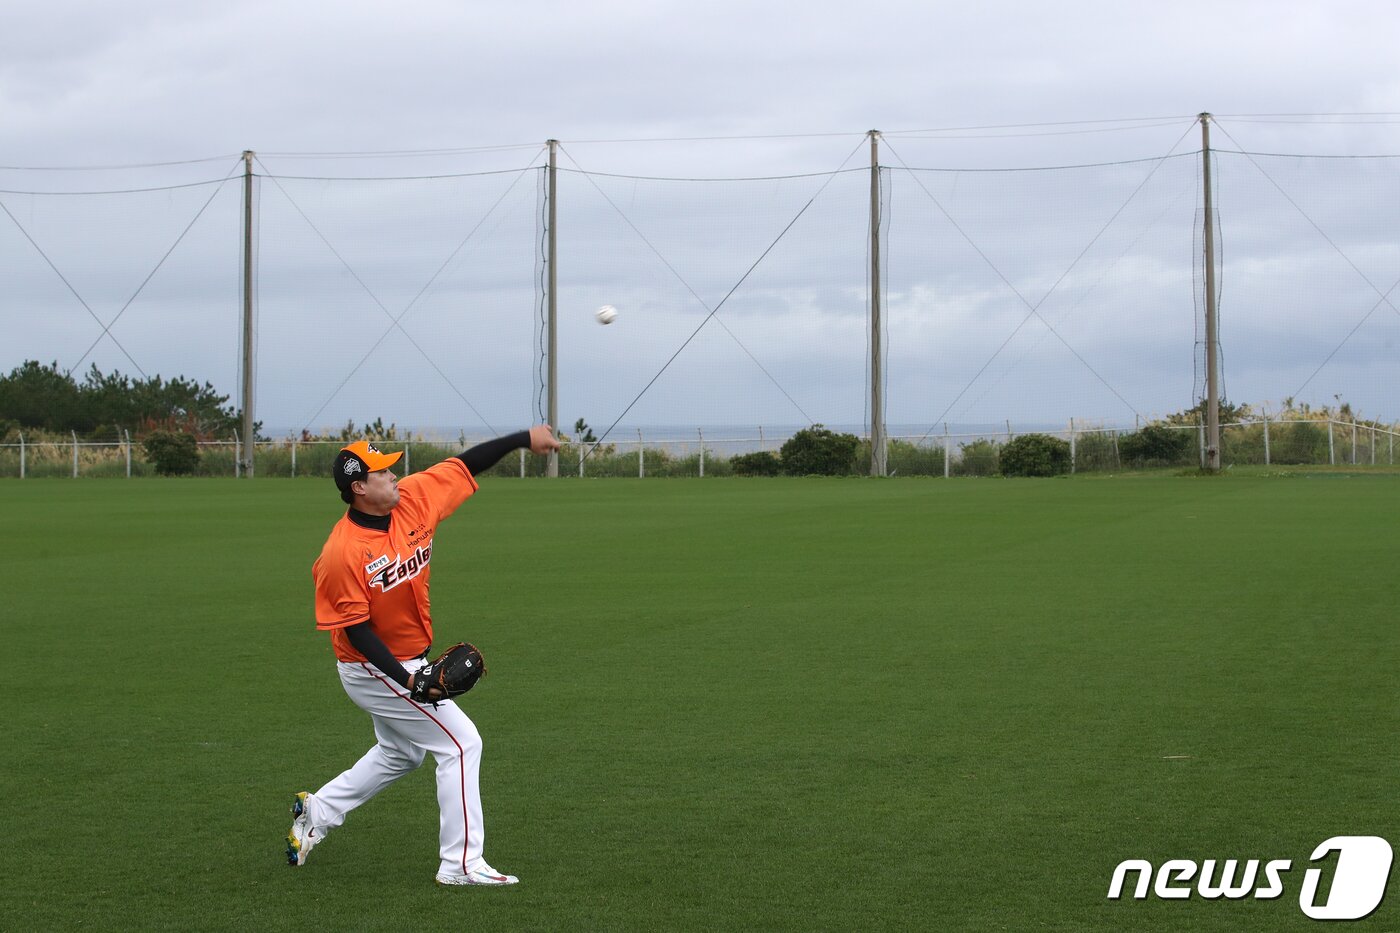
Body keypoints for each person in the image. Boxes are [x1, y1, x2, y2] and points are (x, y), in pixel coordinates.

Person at [287, 426, 559, 886]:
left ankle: (318, 811)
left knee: (401, 754)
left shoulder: (411, 498)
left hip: (408, 658)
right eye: (383, 472)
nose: (395, 475)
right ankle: (461, 864)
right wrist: (409, 681)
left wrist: (520, 439)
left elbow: (464, 466)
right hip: (371, 669)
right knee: (461, 743)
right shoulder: (340, 554)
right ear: (358, 488)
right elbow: (356, 631)